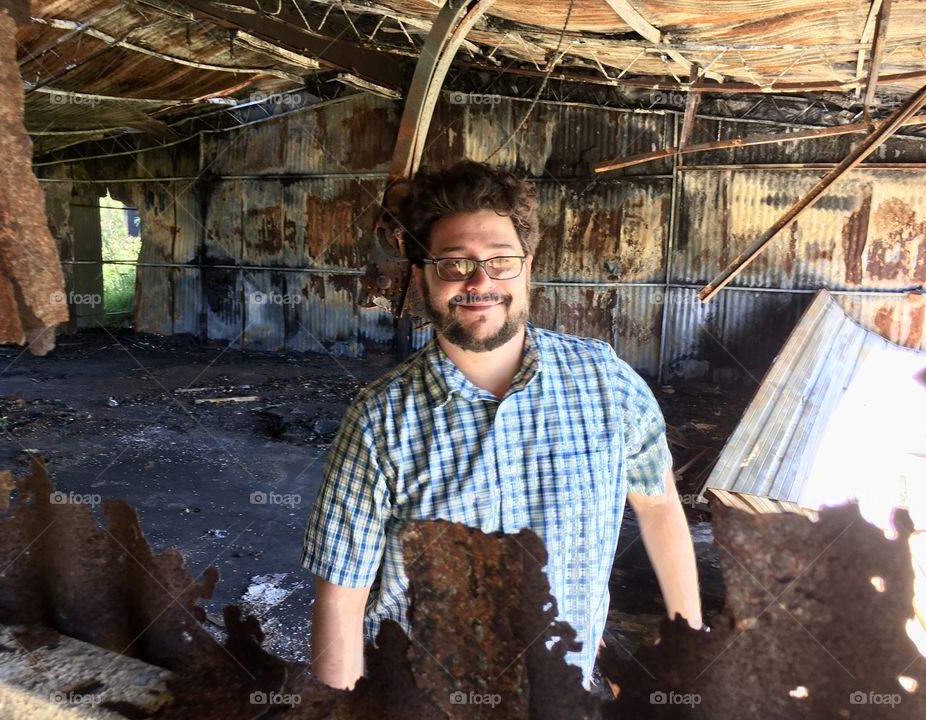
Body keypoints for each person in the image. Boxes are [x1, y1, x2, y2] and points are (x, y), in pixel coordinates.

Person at [300, 160, 702, 690]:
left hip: (565, 691)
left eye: (501, 260)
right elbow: (342, 599)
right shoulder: (379, 421)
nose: (481, 281)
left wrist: (689, 650)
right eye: (455, 263)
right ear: (421, 275)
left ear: (528, 266)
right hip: (425, 698)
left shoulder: (608, 383)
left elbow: (657, 506)